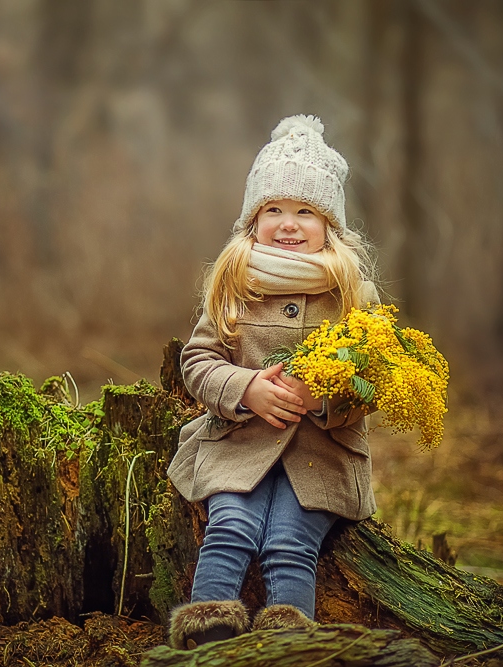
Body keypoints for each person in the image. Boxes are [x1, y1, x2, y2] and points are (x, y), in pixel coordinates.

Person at [166, 115, 380, 650]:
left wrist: (325, 396)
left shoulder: (351, 293)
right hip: (240, 443)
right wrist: (246, 388)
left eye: (305, 211)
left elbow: (374, 376)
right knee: (231, 525)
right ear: (253, 219)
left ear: (329, 224)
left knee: (289, 540)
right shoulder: (236, 282)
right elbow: (197, 360)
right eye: (274, 210)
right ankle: (208, 626)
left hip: (321, 455)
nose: (289, 223)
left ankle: (290, 640)